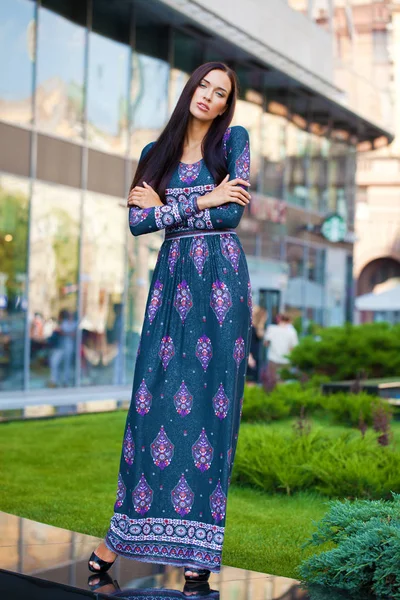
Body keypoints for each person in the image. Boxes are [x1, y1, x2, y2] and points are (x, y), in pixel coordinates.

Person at [88, 62, 252, 585]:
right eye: (203, 85)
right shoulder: (152, 155)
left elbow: (232, 216)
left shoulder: (235, 142)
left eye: (220, 92)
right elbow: (138, 221)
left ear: (227, 104)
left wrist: (169, 206)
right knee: (150, 406)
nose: (209, 96)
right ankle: (119, 537)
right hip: (170, 288)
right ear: (191, 90)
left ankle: (198, 553)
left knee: (209, 412)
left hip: (222, 288)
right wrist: (204, 197)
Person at [263, 313, 298, 391]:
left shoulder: (271, 328)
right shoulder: (292, 332)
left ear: (278, 319)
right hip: (286, 360)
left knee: (272, 381)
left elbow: (266, 343)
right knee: (283, 381)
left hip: (273, 358)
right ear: (289, 321)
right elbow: (293, 347)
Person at [246, 305, 267, 385]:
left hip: (255, 356)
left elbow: (260, 335)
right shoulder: (250, 327)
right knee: (249, 382)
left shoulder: (257, 327)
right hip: (250, 356)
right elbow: (247, 343)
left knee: (253, 381)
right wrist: (249, 357)